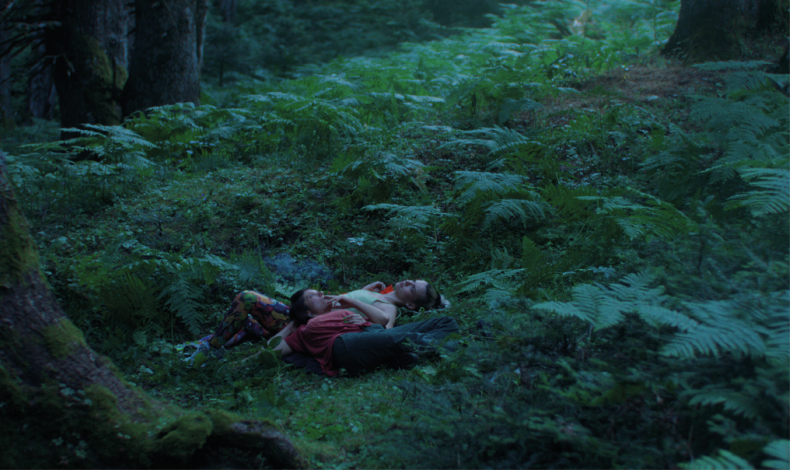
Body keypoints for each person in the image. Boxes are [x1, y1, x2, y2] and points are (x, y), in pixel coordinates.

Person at [181, 279, 446, 362]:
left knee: (247, 298)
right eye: (412, 280)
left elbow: (383, 329)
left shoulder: (390, 307)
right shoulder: (378, 293)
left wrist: (357, 311)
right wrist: (365, 290)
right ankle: (206, 346)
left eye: (412, 288)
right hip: (306, 312)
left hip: (309, 321)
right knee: (251, 324)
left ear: (410, 304)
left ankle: (210, 347)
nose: (407, 282)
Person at [269, 289, 458, 376]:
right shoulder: (305, 328)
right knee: (405, 339)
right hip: (343, 344)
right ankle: (457, 351)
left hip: (371, 332)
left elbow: (383, 321)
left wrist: (353, 304)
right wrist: (291, 326)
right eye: (313, 295)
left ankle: (405, 356)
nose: (321, 294)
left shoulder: (344, 310)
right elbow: (271, 350)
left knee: (445, 322)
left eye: (319, 291)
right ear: (307, 312)